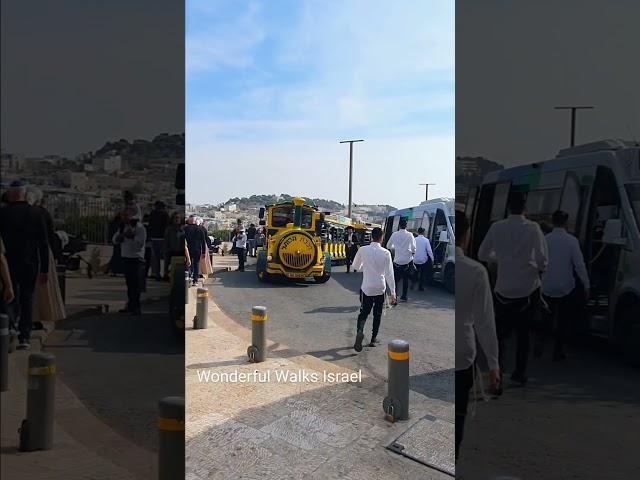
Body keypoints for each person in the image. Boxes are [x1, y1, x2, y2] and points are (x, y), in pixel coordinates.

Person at [478, 191, 548, 385]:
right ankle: (520, 373)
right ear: (525, 208)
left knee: (500, 335)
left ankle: (497, 371)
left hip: (502, 290)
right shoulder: (533, 228)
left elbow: (483, 253)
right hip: (527, 289)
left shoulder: (497, 227)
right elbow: (543, 260)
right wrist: (534, 266)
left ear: (508, 208)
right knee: (524, 335)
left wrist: (501, 259)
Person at [455, 210, 500, 461]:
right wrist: (493, 365)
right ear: (467, 236)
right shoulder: (476, 271)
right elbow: (485, 323)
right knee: (459, 415)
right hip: (463, 354)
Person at [0, 181, 50, 349]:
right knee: (27, 298)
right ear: (24, 194)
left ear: (11, 194)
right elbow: (44, 244)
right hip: (30, 262)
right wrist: (45, 269)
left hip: (8, 262)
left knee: (9, 295)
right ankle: (25, 336)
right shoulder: (36, 213)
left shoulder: (2, 213)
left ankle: (10, 328)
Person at [538, 210, 590, 361]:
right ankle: (557, 352)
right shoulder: (571, 241)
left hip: (546, 286)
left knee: (546, 317)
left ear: (553, 222)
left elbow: (539, 262)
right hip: (565, 287)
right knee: (562, 321)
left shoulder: (545, 239)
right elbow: (579, 265)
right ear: (566, 223)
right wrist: (586, 285)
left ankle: (541, 342)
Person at [351, 227, 397, 352]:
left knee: (364, 312)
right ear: (381, 238)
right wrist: (393, 293)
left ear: (372, 236)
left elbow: (355, 266)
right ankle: (373, 338)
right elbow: (389, 274)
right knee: (377, 314)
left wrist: (364, 266)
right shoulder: (386, 253)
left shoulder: (363, 249)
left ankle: (360, 331)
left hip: (367, 287)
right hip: (380, 288)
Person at [26, 187, 65, 324]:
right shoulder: (43, 213)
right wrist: (56, 255)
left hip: (27, 252)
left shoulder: (26, 213)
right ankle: (39, 317)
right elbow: (50, 236)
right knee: (43, 289)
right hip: (43, 253)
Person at [112, 212, 146, 315]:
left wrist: (131, 237)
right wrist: (122, 236)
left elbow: (140, 244)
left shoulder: (140, 229)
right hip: (126, 257)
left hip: (136, 259)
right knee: (129, 284)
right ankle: (131, 305)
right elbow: (115, 240)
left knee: (135, 285)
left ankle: (136, 307)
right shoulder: (122, 227)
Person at [386, 218, 416, 302]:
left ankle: (394, 297)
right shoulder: (410, 235)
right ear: (406, 226)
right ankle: (404, 296)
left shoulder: (394, 234)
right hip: (407, 261)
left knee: (395, 280)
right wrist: (411, 252)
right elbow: (414, 248)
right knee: (405, 280)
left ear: (399, 225)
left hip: (397, 261)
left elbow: (388, 246)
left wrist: (395, 248)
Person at [148, 201, 170, 281]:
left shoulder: (153, 214)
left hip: (154, 238)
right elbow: (167, 226)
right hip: (163, 238)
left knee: (155, 258)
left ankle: (156, 274)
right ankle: (164, 273)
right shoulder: (165, 214)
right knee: (165, 258)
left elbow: (150, 226)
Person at [184, 215, 206, 285]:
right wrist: (203, 252)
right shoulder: (200, 229)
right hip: (197, 250)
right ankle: (195, 280)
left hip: (188, 249)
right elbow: (203, 241)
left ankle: (189, 277)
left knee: (188, 263)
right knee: (196, 265)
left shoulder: (185, 229)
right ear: (195, 221)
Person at [164, 212, 185, 279]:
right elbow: (166, 240)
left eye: (178, 218)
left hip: (181, 251)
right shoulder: (169, 229)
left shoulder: (183, 229)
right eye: (175, 218)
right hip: (171, 250)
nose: (176, 220)